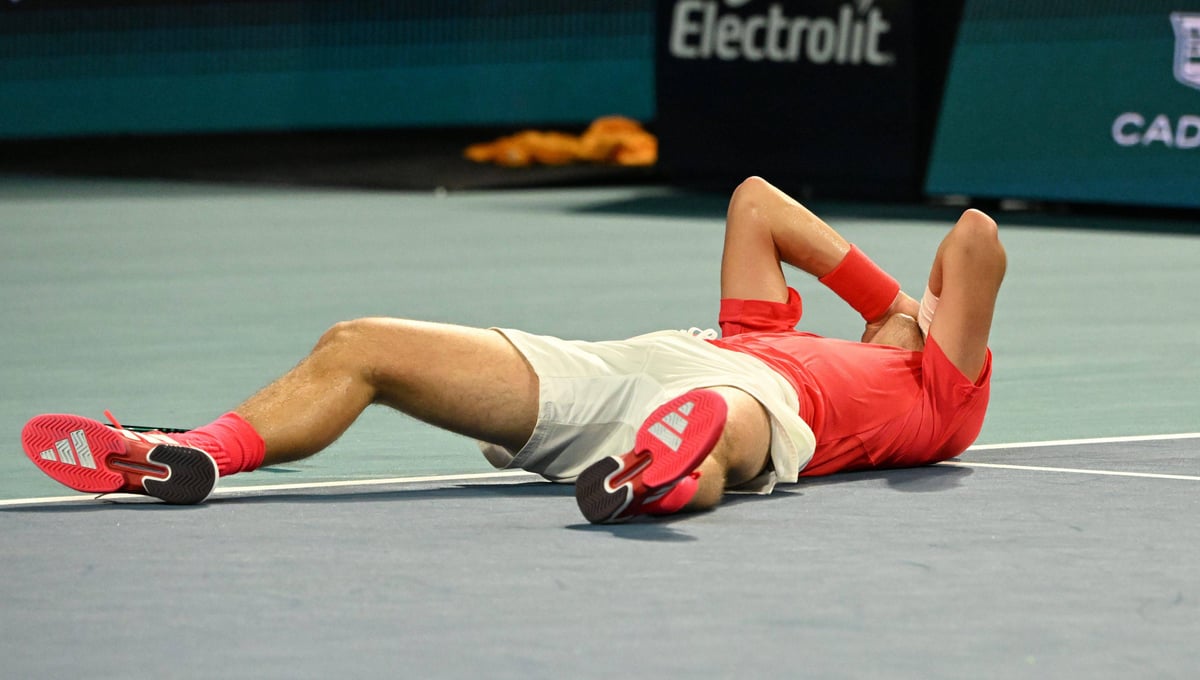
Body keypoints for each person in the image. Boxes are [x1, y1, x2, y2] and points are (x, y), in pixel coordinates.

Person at [20, 177, 1005, 523]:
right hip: (608, 371)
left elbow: (974, 237)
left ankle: (657, 476)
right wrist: (889, 304)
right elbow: (755, 202)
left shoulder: (938, 397)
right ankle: (193, 451)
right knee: (359, 344)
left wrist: (910, 322)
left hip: (757, 404)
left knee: (729, 421)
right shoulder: (777, 326)